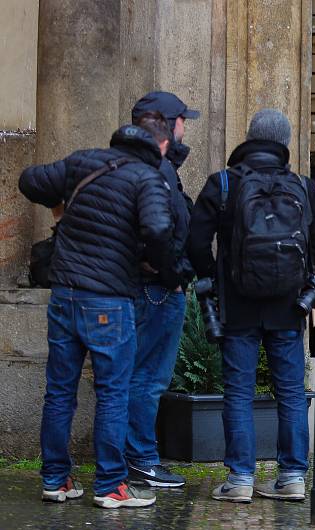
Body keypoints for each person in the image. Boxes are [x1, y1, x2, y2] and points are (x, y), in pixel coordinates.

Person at [19, 114, 174, 508]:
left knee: (59, 392)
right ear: (160, 147)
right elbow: (158, 230)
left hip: (64, 294)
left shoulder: (82, 161)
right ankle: (110, 486)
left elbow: (29, 179)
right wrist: (155, 266)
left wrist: (59, 204)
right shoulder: (146, 178)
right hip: (109, 301)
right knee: (112, 393)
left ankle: (55, 479)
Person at [188, 109, 315, 503]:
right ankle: (291, 476)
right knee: (290, 391)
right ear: (285, 142)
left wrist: (215, 276)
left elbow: (195, 242)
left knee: (238, 391)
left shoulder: (223, 184)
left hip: (237, 306)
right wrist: (296, 275)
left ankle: (239, 479)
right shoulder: (303, 187)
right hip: (289, 306)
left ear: (249, 137)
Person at [125, 91, 200, 489]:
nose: (187, 127)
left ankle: (135, 457)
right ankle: (140, 459)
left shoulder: (142, 164)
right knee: (148, 378)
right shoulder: (157, 169)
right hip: (157, 289)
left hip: (150, 286)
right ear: (168, 126)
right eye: (183, 120)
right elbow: (159, 230)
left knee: (139, 375)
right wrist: (174, 274)